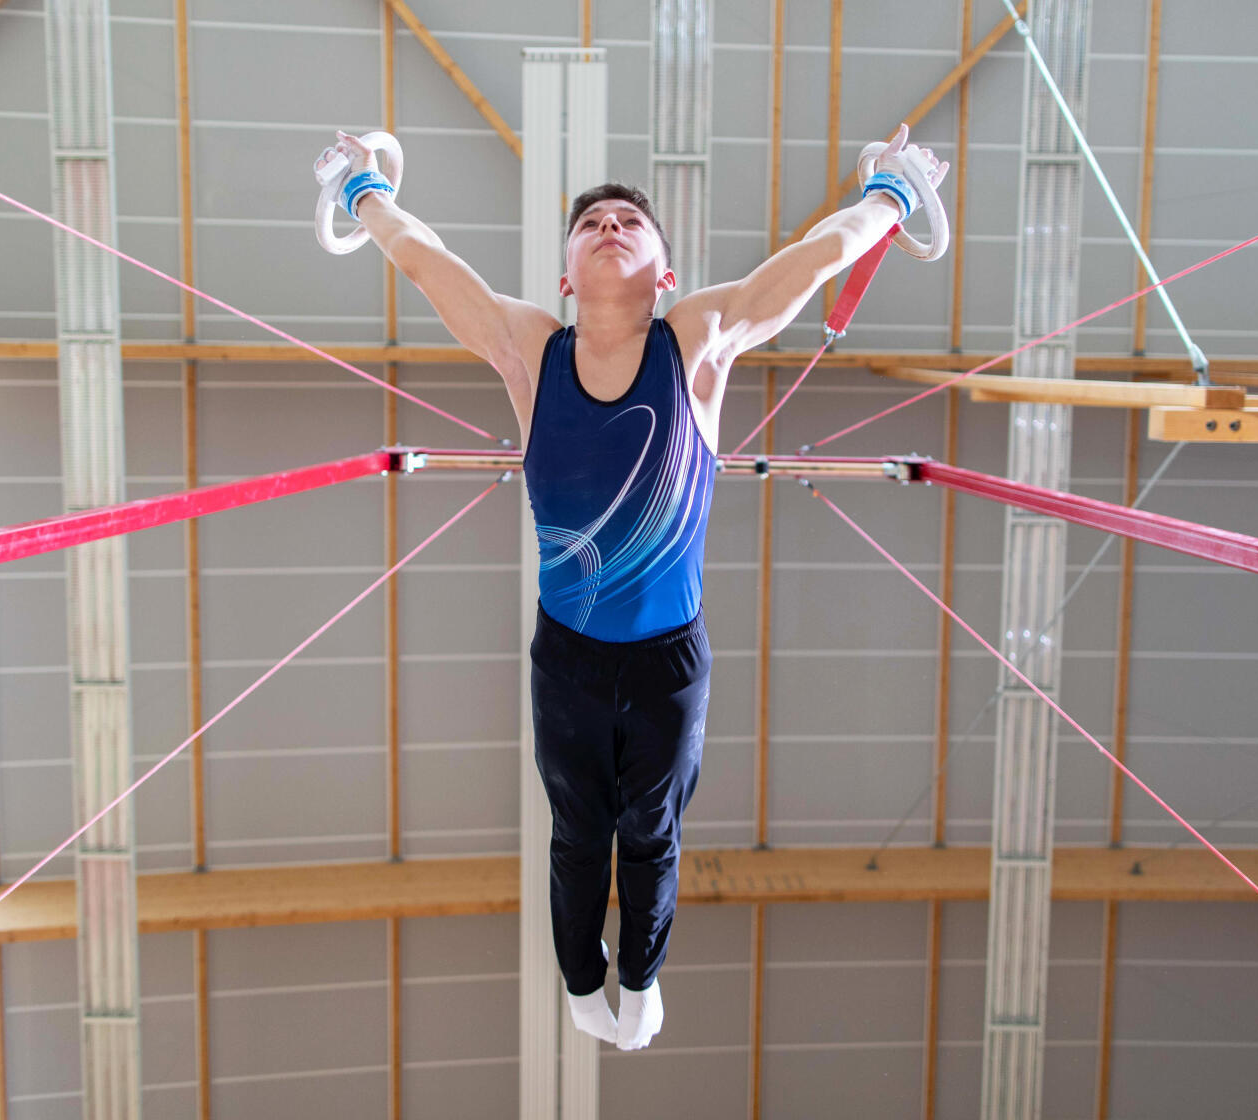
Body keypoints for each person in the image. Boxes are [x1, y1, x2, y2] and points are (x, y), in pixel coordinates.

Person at [332, 125, 947, 1051]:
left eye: (630, 221)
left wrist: (891, 196)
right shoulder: (529, 347)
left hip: (668, 657)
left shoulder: (697, 340)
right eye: (592, 224)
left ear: (664, 274)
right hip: (569, 658)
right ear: (567, 276)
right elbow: (427, 262)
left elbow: (814, 262)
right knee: (580, 832)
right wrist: (360, 191)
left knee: (649, 832)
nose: (611, 225)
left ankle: (645, 972)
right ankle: (584, 977)